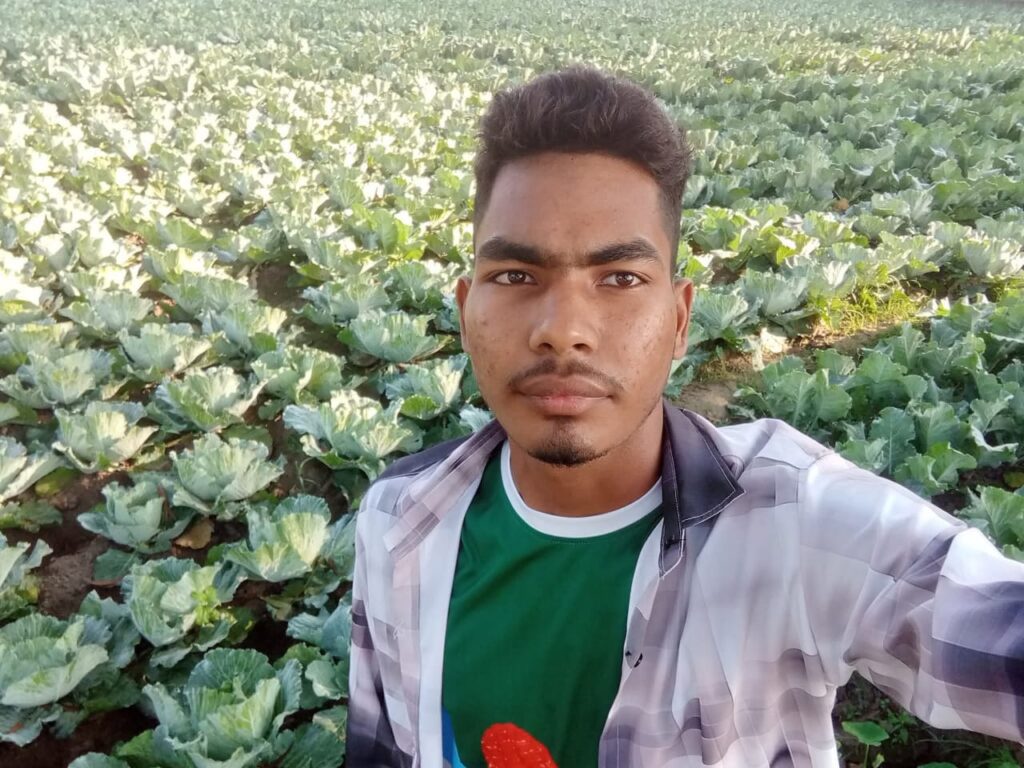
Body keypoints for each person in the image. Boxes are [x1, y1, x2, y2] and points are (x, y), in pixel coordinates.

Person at [345, 66, 1024, 768]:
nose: (563, 329)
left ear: (678, 319)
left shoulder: (799, 526)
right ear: (465, 310)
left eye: (620, 279)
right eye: (516, 277)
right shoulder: (398, 518)